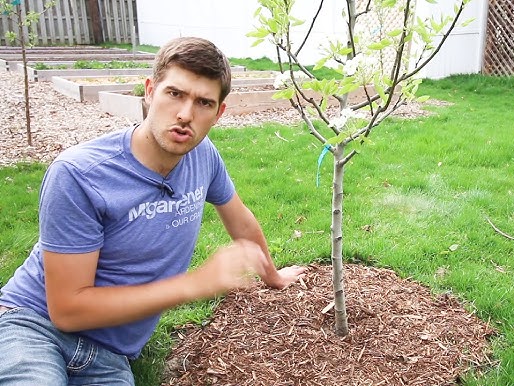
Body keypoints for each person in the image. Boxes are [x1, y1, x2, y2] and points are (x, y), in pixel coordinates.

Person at [0, 36, 307, 385]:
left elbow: (241, 221)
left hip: (108, 353)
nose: (185, 115)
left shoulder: (203, 156)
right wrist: (196, 284)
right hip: (34, 326)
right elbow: (67, 311)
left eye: (203, 102)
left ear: (219, 113)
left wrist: (274, 276)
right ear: (149, 91)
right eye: (175, 94)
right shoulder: (79, 174)